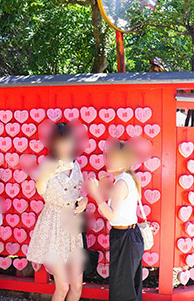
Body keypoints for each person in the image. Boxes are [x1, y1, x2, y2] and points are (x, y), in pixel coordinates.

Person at [26, 121, 88, 301]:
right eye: (60, 142)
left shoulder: (75, 165)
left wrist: (83, 202)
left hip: (73, 228)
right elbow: (40, 188)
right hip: (53, 228)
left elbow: (79, 192)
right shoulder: (48, 165)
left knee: (77, 286)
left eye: (68, 141)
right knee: (62, 287)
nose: (65, 146)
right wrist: (46, 176)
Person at [87, 139, 146, 301]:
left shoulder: (121, 182)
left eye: (113, 158)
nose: (108, 161)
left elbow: (112, 215)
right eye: (108, 157)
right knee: (129, 287)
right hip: (129, 235)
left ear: (123, 162)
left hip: (125, 237)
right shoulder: (125, 179)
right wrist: (106, 189)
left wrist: (96, 195)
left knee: (122, 289)